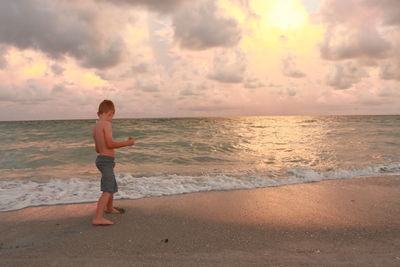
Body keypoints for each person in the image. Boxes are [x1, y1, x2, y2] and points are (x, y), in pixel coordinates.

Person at [92, 100, 134, 226]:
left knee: (111, 185)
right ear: (112, 113)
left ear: (98, 113)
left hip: (101, 160)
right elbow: (110, 144)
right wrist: (127, 143)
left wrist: (105, 150)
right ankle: (98, 217)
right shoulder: (107, 124)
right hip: (106, 161)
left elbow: (97, 149)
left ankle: (109, 208)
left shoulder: (96, 127)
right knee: (107, 189)